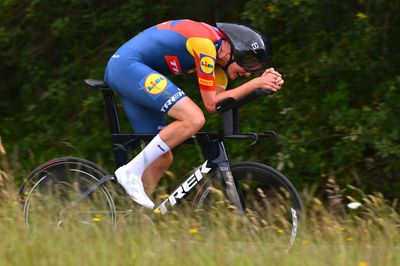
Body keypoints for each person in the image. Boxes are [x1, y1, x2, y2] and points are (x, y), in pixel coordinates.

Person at [104, 19, 284, 209]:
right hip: (127, 66)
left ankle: (131, 219)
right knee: (193, 118)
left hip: (136, 73)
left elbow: (218, 103)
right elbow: (210, 102)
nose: (249, 73)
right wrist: (256, 84)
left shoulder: (218, 64)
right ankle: (130, 173)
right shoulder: (206, 45)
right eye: (248, 63)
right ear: (232, 49)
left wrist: (261, 87)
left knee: (161, 158)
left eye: (255, 69)